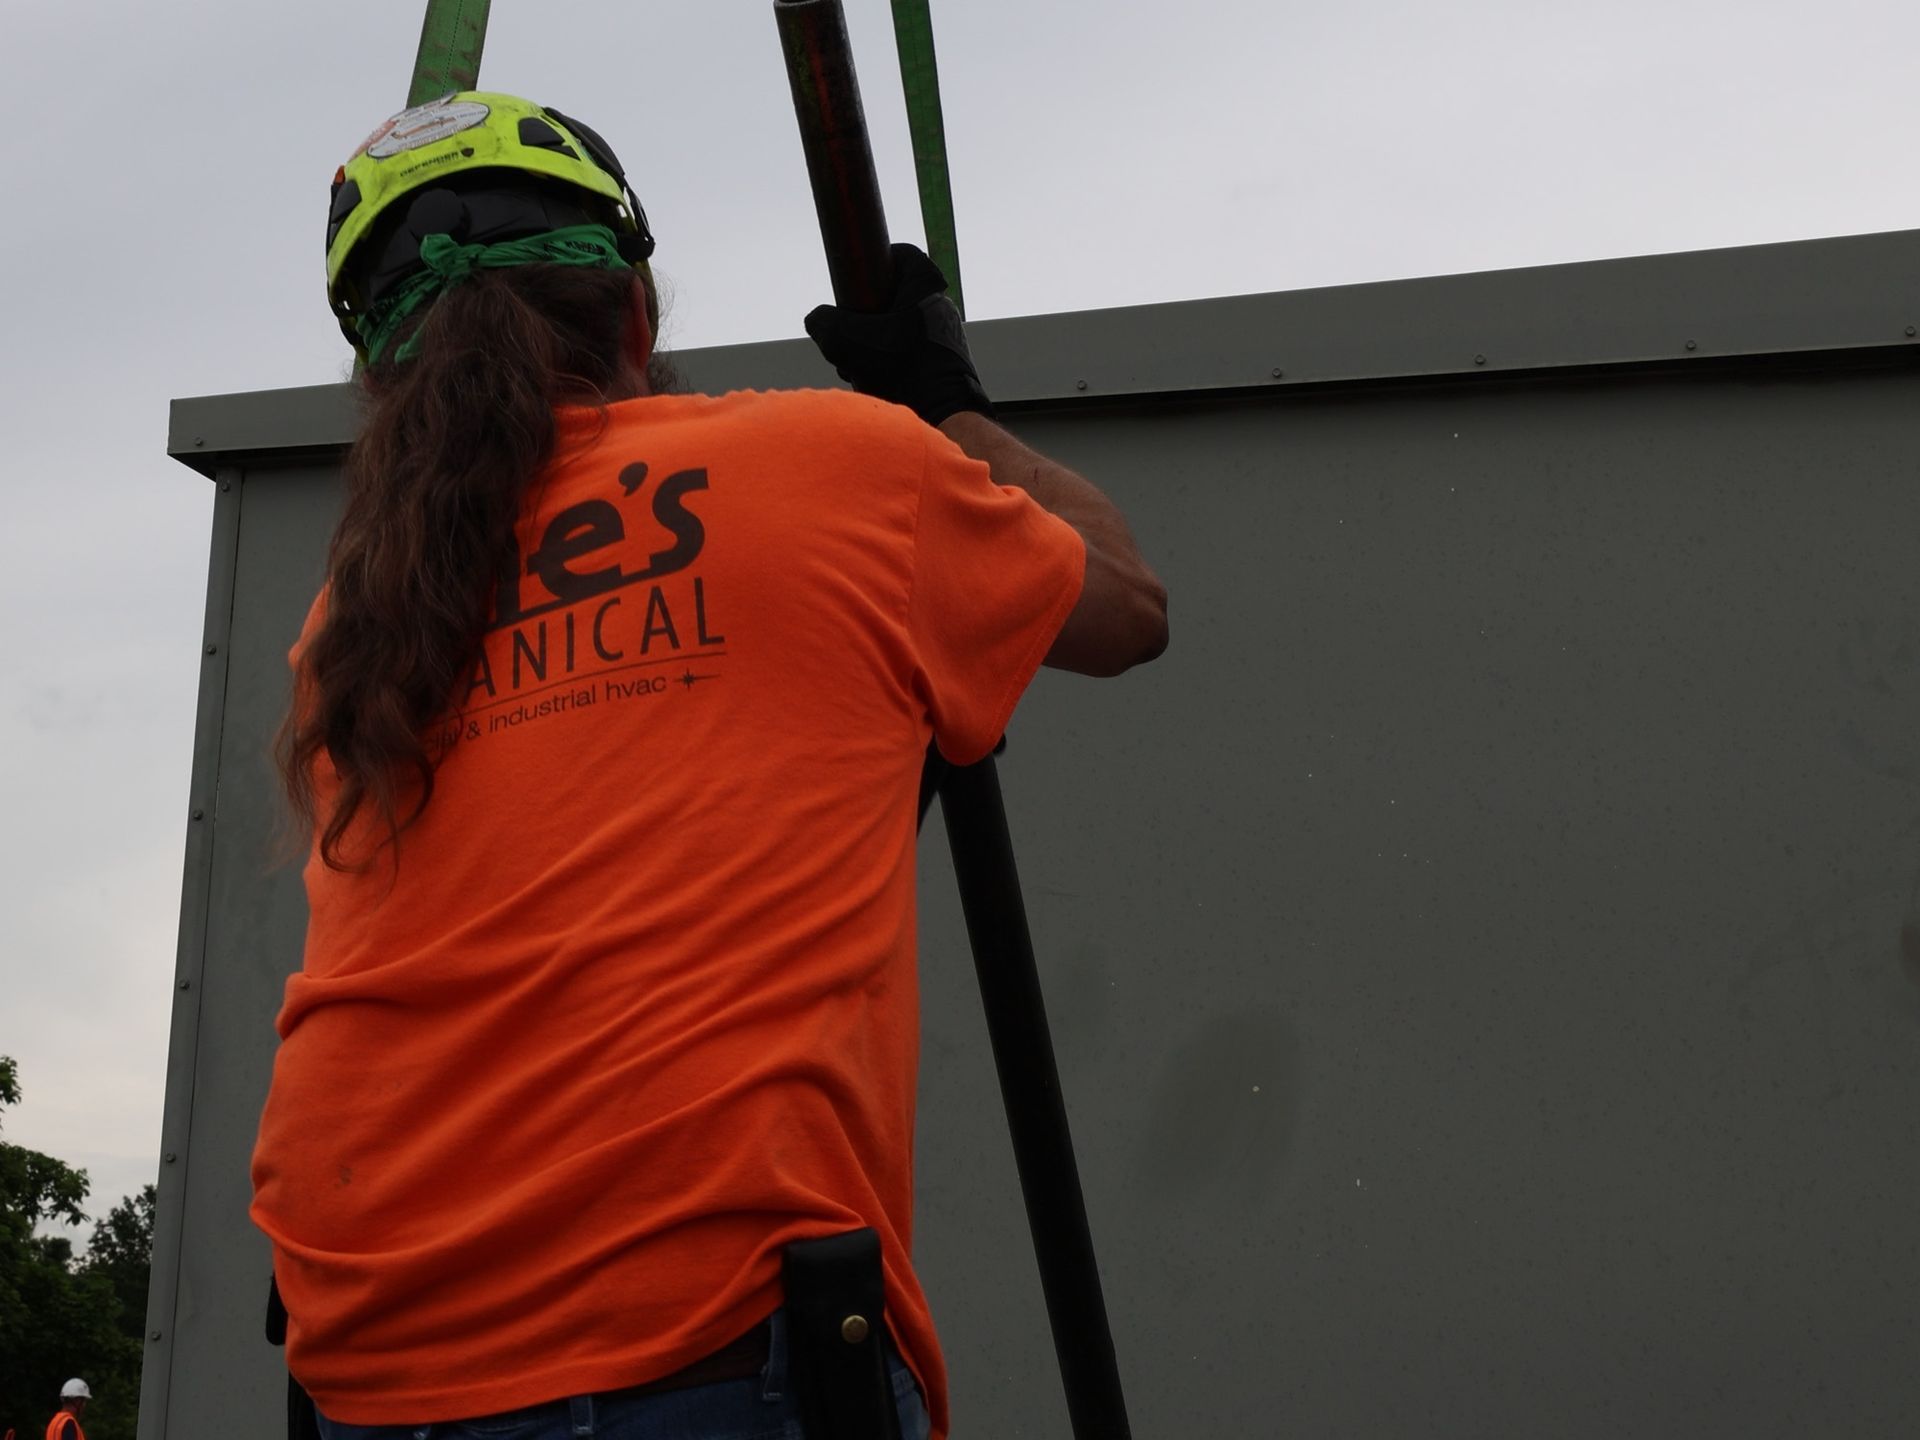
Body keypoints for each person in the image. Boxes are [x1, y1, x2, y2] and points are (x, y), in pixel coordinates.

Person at [250, 91, 1167, 1440]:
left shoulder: (362, 618)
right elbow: (1126, 608)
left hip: (369, 1348)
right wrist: (944, 406)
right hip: (706, 1331)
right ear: (633, 315)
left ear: (382, 380)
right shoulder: (835, 466)